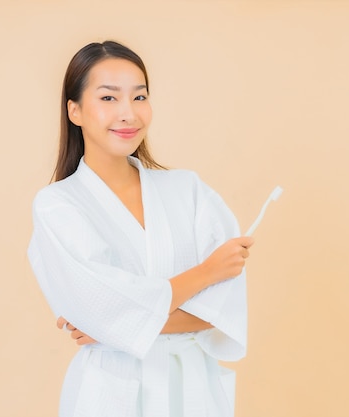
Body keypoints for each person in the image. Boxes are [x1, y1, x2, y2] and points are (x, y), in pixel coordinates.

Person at [27, 40, 254, 417]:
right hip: (108, 395)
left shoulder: (190, 191)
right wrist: (207, 273)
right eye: (109, 98)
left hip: (192, 391)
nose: (129, 114)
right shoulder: (58, 205)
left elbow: (224, 310)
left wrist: (116, 324)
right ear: (75, 110)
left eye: (140, 97)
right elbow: (97, 310)